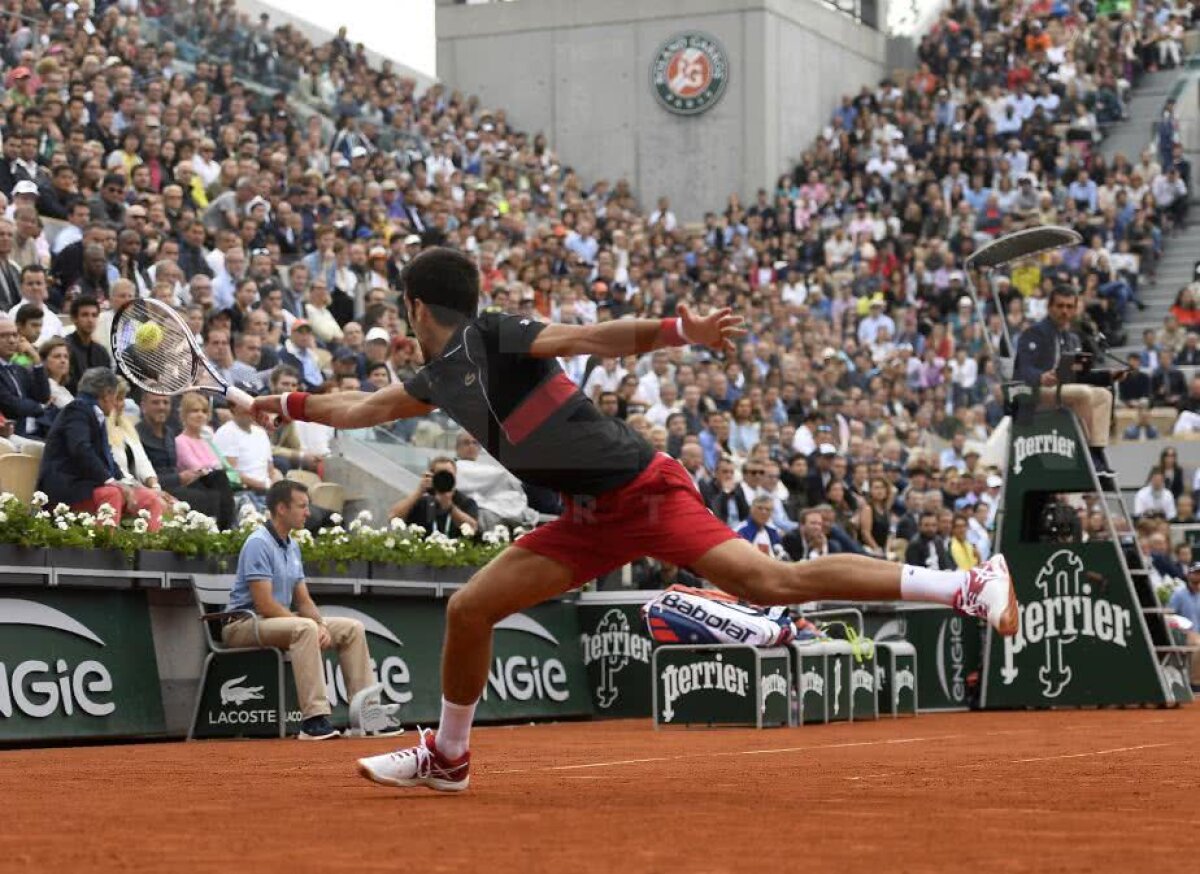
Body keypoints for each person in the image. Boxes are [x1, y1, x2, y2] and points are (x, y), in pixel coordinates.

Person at [251, 247, 1017, 792]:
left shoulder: (498, 334)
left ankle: (965, 584)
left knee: (770, 580)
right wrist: (277, 403)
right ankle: (449, 758)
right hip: (586, 520)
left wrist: (682, 331)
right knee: (470, 608)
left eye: (403, 307)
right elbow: (357, 409)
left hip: (644, 492)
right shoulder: (438, 377)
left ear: (414, 308)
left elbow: (589, 338)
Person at [224, 479, 377, 740]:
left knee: (352, 628)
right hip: (242, 625)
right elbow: (265, 604)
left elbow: (304, 601)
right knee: (304, 627)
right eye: (302, 506)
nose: (308, 512)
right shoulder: (258, 543)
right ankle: (314, 720)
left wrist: (322, 625)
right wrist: (311, 625)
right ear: (282, 509)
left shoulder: (292, 545)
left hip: (276, 622)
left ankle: (367, 715)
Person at [36, 367, 164, 530]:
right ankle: (104, 547)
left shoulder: (97, 414)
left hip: (90, 486)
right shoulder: (76, 410)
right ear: (107, 394)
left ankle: (149, 551)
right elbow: (80, 449)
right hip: (68, 488)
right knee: (112, 493)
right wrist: (111, 482)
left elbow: (107, 457)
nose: (116, 402)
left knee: (150, 499)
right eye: (116, 396)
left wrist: (126, 482)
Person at [1013, 286, 1119, 473]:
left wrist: (1108, 375)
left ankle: (1097, 451)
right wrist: (1040, 376)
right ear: (1049, 307)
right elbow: (1023, 368)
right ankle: (1084, 452)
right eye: (1060, 306)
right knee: (1083, 394)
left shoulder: (1071, 338)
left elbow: (1078, 374)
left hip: (1063, 390)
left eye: (1070, 307)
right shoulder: (1035, 333)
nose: (1065, 311)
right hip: (1036, 392)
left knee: (1104, 395)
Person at [137, 392, 235, 528]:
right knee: (207, 496)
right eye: (155, 402)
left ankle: (227, 532)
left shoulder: (169, 433)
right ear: (143, 406)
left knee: (219, 478)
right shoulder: (138, 433)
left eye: (165, 402)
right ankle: (220, 532)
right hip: (155, 485)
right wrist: (178, 478)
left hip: (178, 483)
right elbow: (142, 473)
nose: (161, 407)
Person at [389, 456, 479, 538]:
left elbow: (473, 528)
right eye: (440, 475)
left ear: (455, 477)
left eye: (448, 475)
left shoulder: (465, 502)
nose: (444, 479)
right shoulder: (424, 502)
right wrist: (419, 490)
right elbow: (393, 517)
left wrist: (450, 507)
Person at [64, 296, 111, 395]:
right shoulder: (65, 349)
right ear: (74, 319)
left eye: (94, 315)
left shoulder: (101, 352)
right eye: (85, 315)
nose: (90, 320)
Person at [1168, 563, 1200, 686]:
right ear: (1188, 575)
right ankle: (1195, 684)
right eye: (1196, 573)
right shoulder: (1178, 595)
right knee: (1198, 645)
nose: (1198, 576)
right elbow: (1169, 618)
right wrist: (1185, 631)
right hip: (1184, 635)